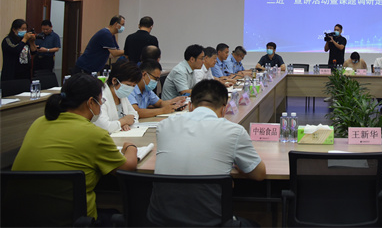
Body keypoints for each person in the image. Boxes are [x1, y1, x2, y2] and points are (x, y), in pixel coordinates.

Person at [12, 73, 138, 221]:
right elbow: (127, 168)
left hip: (21, 217)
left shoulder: (39, 122)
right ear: (91, 102)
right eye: (101, 101)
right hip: (71, 219)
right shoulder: (94, 134)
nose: (101, 105)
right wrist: (130, 146)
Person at [149, 79, 266, 226]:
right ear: (224, 109)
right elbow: (259, 174)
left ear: (190, 106)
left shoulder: (164, 125)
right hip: (211, 222)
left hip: (161, 220)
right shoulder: (234, 131)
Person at [93, 61, 140, 133]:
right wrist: (123, 121)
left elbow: (134, 115)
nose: (130, 88)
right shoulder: (101, 96)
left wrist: (125, 123)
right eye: (128, 85)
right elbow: (104, 126)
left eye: (133, 86)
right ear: (114, 81)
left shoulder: (121, 95)